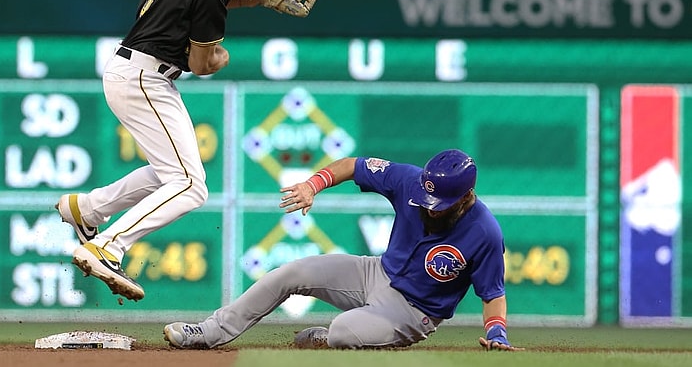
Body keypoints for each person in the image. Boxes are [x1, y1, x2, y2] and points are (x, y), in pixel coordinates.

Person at [55, 0, 274, 302]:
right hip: (145, 79)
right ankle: (107, 246)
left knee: (169, 174)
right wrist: (221, 59)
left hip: (133, 71)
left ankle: (88, 209)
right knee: (191, 186)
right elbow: (203, 63)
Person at [164, 149, 524, 351]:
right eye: (426, 196)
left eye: (439, 202)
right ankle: (209, 333)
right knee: (292, 272)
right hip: (375, 272)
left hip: (414, 312)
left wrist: (497, 333)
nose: (430, 206)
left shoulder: (484, 232)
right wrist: (311, 184)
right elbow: (354, 166)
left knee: (341, 333)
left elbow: (493, 293)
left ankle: (329, 339)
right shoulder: (410, 180)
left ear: (465, 197)